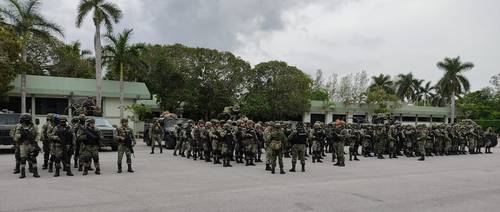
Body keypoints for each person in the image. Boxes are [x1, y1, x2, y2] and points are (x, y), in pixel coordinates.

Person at [14, 114, 40, 178]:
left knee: (33, 158)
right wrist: (21, 136)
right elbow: (16, 136)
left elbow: (38, 134)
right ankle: (22, 173)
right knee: (23, 159)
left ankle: (35, 172)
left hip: (32, 144)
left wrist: (36, 141)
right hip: (23, 144)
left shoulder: (34, 126)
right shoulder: (20, 127)